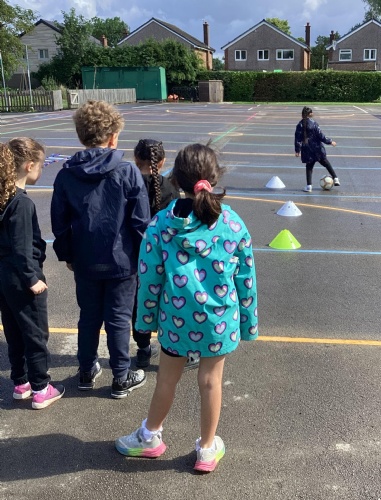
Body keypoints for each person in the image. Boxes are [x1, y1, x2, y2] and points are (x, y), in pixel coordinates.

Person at [115, 143, 258, 472]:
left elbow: (149, 278)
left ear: (176, 180)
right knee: (210, 382)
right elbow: (246, 278)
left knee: (167, 380)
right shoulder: (233, 224)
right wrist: (248, 323)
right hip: (219, 320)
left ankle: (150, 436)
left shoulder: (160, 225)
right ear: (215, 176)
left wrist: (145, 321)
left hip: (175, 319)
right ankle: (207, 449)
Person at [51, 100, 151, 399]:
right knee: (119, 317)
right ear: (113, 137)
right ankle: (120, 376)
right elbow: (140, 222)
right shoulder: (127, 171)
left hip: (85, 258)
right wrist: (144, 257)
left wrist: (67, 254)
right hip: (123, 260)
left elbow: (59, 222)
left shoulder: (67, 174)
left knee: (89, 316)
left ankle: (86, 370)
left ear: (81, 135)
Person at [0, 138, 64, 410]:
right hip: (22, 278)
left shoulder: (4, 197)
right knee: (35, 332)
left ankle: (21, 382)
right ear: (29, 166)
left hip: (4, 277)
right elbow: (22, 247)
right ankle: (41, 387)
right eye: (40, 164)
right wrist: (32, 279)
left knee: (14, 330)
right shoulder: (21, 203)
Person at [132, 138, 199, 371]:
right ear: (162, 162)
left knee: (140, 301)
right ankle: (181, 350)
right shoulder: (170, 189)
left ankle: (143, 348)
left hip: (136, 255)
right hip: (168, 256)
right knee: (172, 302)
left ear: (135, 159)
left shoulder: (128, 184)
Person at [294, 106, 340, 192]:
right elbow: (321, 136)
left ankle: (309, 186)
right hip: (317, 148)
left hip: (307, 149)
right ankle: (335, 178)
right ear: (310, 114)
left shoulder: (299, 125)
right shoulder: (314, 123)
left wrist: (297, 150)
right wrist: (330, 141)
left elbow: (298, 138)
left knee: (309, 167)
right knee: (326, 163)